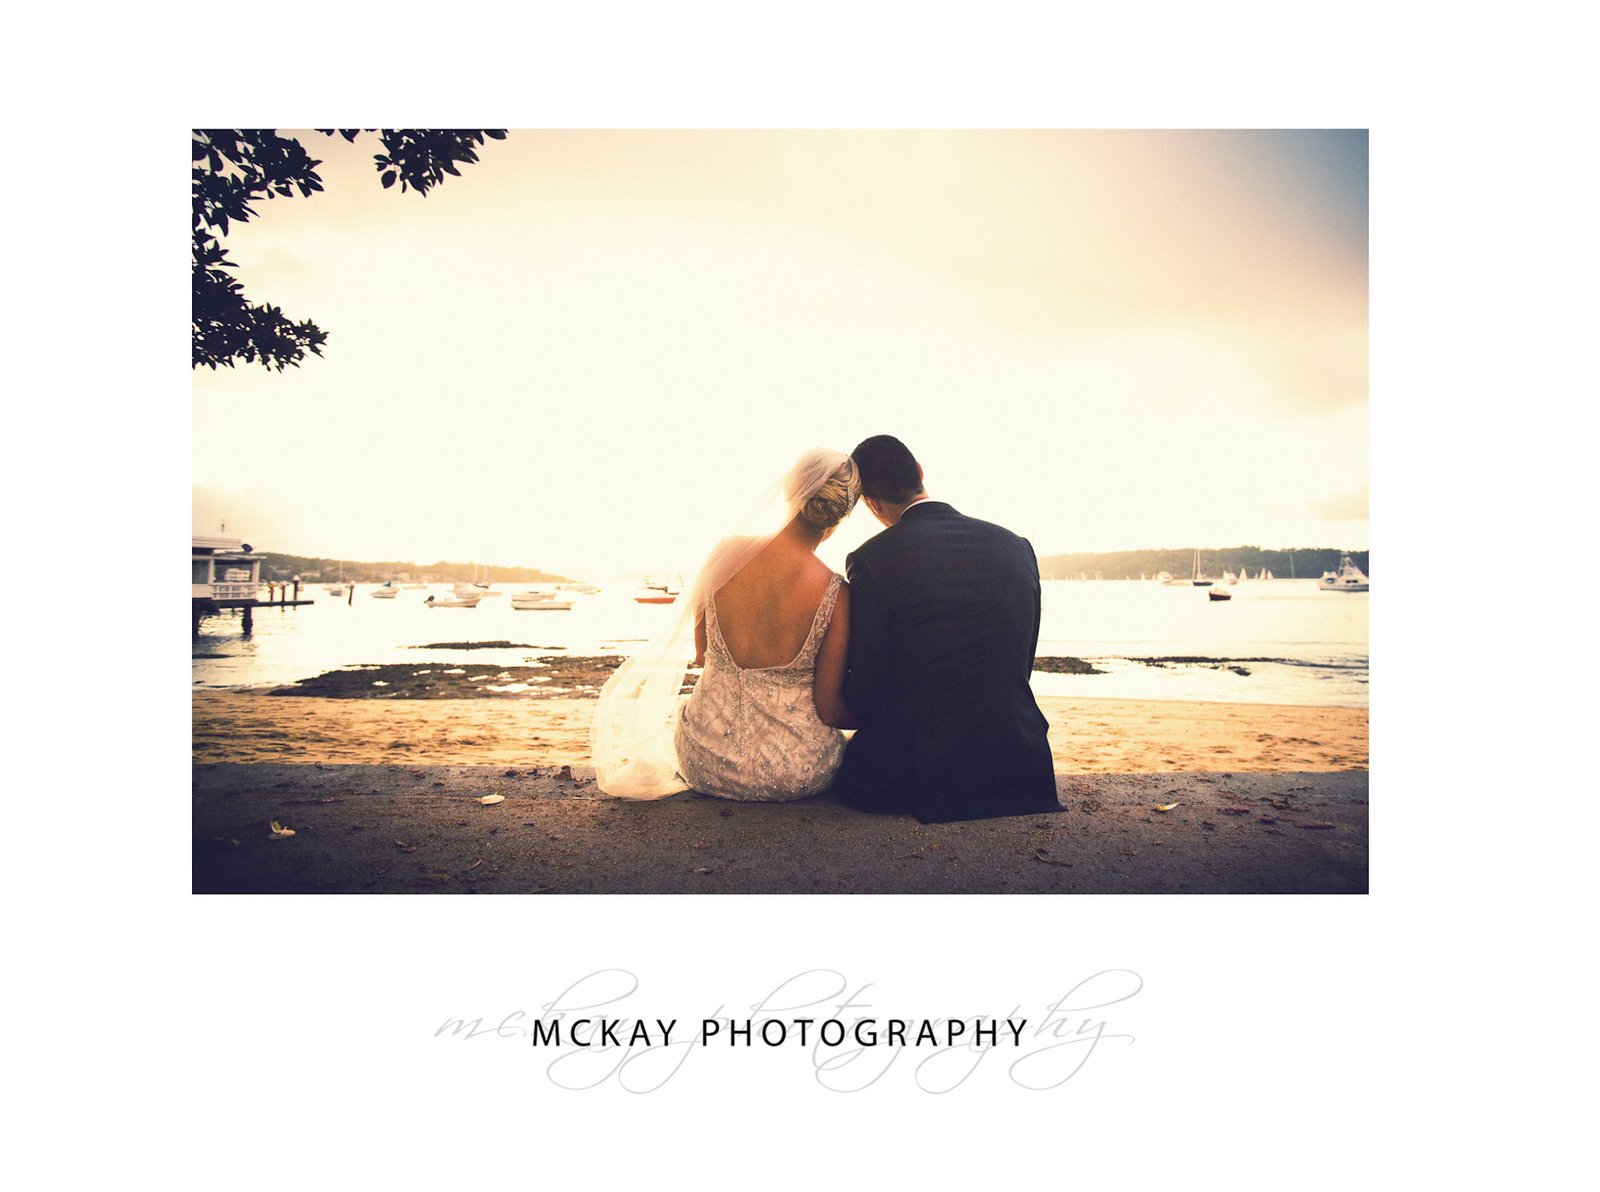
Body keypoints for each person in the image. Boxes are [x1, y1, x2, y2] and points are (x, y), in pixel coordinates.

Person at [592, 449, 860, 801]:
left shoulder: (726, 555)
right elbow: (828, 707)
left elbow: (703, 655)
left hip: (706, 760)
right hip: (795, 770)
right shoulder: (836, 593)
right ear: (841, 514)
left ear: (789, 491)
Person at [832, 435, 1060, 823]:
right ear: (920, 472)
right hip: (1020, 767)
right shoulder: (1016, 546)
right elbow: (1020, 664)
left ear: (870, 503)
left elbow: (864, 686)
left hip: (919, 777)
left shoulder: (872, 558)